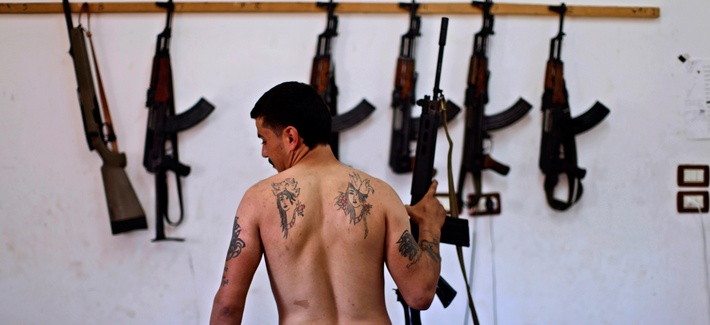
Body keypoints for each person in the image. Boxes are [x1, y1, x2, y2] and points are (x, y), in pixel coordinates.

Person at [210, 81, 446, 324]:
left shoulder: (258, 200)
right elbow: (419, 294)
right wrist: (429, 226)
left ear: (291, 136)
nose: (264, 152)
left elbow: (227, 307)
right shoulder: (381, 195)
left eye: (264, 140)